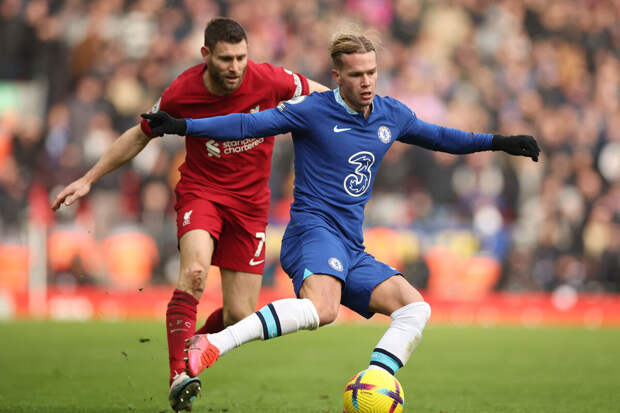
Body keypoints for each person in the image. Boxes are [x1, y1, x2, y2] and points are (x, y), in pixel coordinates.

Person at [142, 31, 540, 405]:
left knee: (415, 309)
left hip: (351, 244)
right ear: (336, 77)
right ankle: (213, 343)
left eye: (371, 72)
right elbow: (248, 123)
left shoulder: (390, 114)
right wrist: (184, 126)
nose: (366, 82)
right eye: (356, 74)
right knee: (324, 309)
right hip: (312, 232)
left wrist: (499, 142)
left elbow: (441, 137)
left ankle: (374, 383)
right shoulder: (312, 109)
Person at [51, 17, 328, 412]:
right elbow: (140, 134)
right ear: (206, 55)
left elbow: (322, 97)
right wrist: (88, 178)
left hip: (251, 206)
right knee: (195, 272)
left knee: (239, 314)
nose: (235, 67)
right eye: (226, 59)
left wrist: (359, 113)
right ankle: (178, 375)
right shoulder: (183, 90)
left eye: (241, 58)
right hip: (203, 193)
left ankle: (194, 344)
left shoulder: (268, 79)